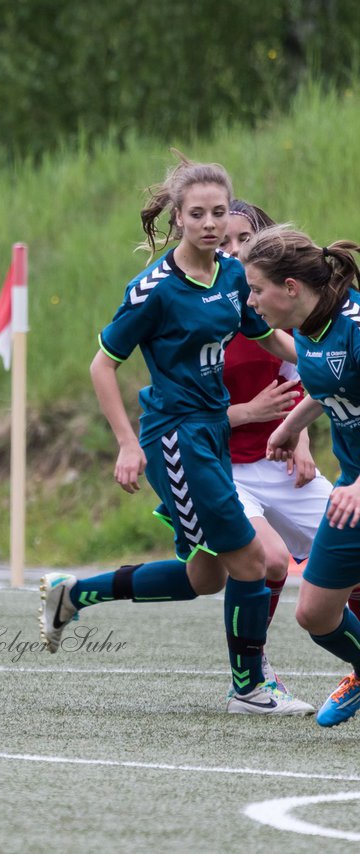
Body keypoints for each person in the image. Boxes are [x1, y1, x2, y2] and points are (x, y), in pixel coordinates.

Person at [38, 152, 308, 715]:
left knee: (203, 577)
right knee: (254, 562)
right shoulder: (154, 289)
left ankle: (74, 594)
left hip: (209, 434)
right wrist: (127, 443)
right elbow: (102, 364)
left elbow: (267, 338)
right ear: (177, 219)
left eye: (218, 213)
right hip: (176, 442)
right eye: (197, 214)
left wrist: (318, 361)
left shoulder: (235, 275)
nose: (210, 224)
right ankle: (250, 689)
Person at [217, 199, 332, 711]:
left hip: (275, 462)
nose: (234, 251)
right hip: (220, 469)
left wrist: (300, 441)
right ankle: (252, 678)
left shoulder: (277, 316)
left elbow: (303, 381)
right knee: (266, 562)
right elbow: (179, 417)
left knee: (346, 546)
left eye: (246, 241)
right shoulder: (200, 316)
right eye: (225, 243)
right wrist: (246, 412)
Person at [244, 225, 360, 727]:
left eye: (256, 289)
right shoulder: (310, 331)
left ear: (290, 287)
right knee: (315, 613)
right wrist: (291, 426)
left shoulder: (354, 325)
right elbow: (330, 384)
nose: (251, 301)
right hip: (352, 490)